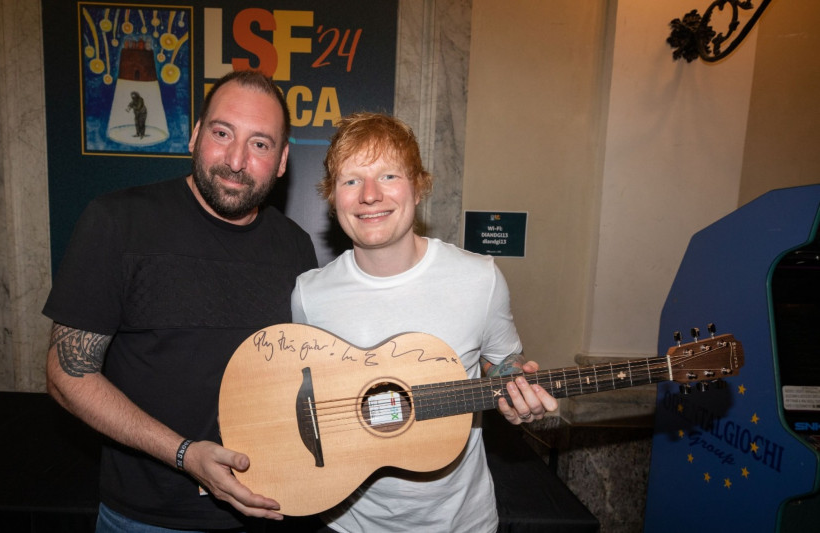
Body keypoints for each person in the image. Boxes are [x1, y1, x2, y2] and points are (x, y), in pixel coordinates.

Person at [44, 70, 318, 531]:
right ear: (195, 135)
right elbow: (66, 375)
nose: (236, 160)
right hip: (147, 520)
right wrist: (183, 453)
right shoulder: (117, 222)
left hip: (267, 511)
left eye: (260, 144)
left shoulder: (296, 247)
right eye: (222, 133)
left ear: (283, 160)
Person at [291, 112, 558, 532]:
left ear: (418, 186)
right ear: (332, 196)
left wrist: (516, 388)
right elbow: (299, 399)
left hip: (461, 523)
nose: (370, 195)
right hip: (349, 525)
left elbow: (502, 362)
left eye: (389, 176)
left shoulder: (479, 278)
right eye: (351, 180)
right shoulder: (309, 295)